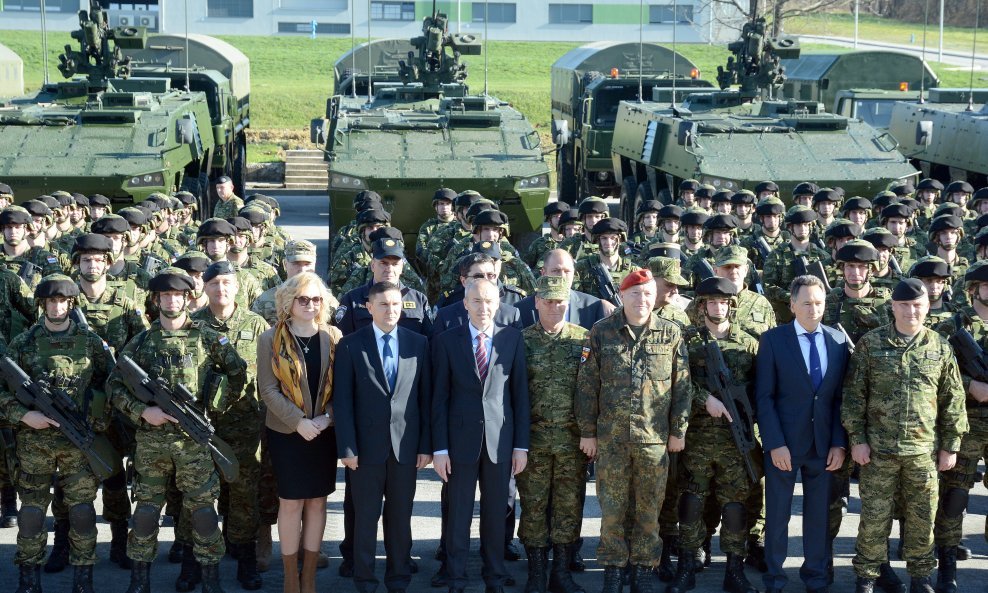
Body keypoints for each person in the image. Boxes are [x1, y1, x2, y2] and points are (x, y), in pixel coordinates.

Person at [110, 268, 248, 593]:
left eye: (177, 295)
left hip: (193, 441)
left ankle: (210, 581)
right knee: (145, 512)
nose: (171, 300)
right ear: (156, 300)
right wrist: (144, 410)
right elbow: (115, 386)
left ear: (187, 298)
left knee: (202, 513)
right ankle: (139, 580)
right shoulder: (141, 342)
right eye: (165, 295)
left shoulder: (207, 338)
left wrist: (214, 404)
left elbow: (238, 373)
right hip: (152, 443)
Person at [842, 279, 968, 593]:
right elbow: (854, 395)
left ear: (926, 307)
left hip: (923, 451)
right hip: (878, 451)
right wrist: (856, 439)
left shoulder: (939, 346)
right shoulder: (871, 343)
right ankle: (867, 577)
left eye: (917, 305)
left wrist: (951, 446)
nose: (911, 311)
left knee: (922, 518)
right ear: (893, 307)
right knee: (874, 517)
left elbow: (952, 399)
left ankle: (921, 576)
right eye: (904, 305)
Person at [575, 268, 692, 593]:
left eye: (647, 293)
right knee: (612, 513)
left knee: (648, 513)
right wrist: (587, 431)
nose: (642, 299)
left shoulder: (670, 333)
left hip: (653, 442)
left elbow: (682, 386)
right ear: (623, 296)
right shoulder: (601, 331)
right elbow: (587, 385)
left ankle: (642, 571)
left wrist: (677, 430)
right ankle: (613, 572)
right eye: (635, 293)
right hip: (611, 442)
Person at [0, 275, 114, 593]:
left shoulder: (90, 342)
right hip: (34, 441)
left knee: (81, 511)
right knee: (33, 512)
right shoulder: (23, 343)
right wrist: (24, 414)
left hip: (79, 441)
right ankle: (29, 580)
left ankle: (83, 579)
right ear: (41, 304)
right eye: (51, 301)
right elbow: (2, 391)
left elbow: (112, 383)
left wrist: (95, 413)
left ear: (71, 304)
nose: (57, 306)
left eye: (63, 301)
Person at [431, 278, 530, 593]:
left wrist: (520, 447)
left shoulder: (512, 339)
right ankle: (457, 577)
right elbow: (440, 399)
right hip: (459, 444)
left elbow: (520, 397)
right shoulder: (447, 341)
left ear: (497, 303)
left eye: (488, 301)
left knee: (495, 515)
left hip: (501, 442)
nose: (483, 307)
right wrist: (440, 449)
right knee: (458, 515)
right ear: (465, 303)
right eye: (476, 301)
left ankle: (495, 577)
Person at [334, 281, 433, 593]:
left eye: (395, 304)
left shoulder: (418, 343)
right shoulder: (351, 344)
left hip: (405, 447)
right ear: (369, 308)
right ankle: (364, 579)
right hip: (365, 450)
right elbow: (343, 401)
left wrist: (425, 446)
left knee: (400, 518)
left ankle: (398, 577)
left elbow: (425, 398)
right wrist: (347, 447)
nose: (391, 311)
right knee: (365, 519)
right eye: (384, 305)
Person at [755, 274, 851, 593]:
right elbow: (764, 397)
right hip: (785, 444)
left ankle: (816, 576)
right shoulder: (773, 340)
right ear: (793, 304)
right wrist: (775, 444)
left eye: (819, 303)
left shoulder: (838, 342)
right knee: (778, 516)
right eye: (806, 303)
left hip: (824, 445)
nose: (813, 309)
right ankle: (775, 578)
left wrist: (839, 442)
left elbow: (839, 399)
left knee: (818, 517)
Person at [669, 277, 761, 593]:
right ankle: (686, 567)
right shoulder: (687, 342)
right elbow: (675, 381)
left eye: (723, 302)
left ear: (731, 306)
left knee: (736, 506)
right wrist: (703, 398)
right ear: (702, 305)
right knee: (691, 502)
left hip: (736, 442)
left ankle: (734, 571)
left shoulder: (748, 344)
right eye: (711, 302)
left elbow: (761, 390)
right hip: (695, 438)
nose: (717, 307)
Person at [257, 272, 342, 593]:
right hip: (286, 433)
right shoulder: (270, 338)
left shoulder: (334, 336)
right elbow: (267, 389)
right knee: (291, 502)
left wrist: (324, 420)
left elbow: (342, 390)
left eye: (316, 299)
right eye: (303, 299)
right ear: (288, 302)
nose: (310, 305)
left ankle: (309, 579)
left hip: (323, 433)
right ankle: (291, 579)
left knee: (318, 502)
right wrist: (299, 422)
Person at [189, 261, 270, 590]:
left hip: (246, 426)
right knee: (199, 494)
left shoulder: (257, 324)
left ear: (237, 287)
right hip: (201, 425)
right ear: (204, 288)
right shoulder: (192, 326)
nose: (221, 289)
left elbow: (271, 374)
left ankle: (245, 559)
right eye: (214, 283)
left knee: (243, 494)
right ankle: (197, 561)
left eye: (227, 283)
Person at [518, 275, 589, 593]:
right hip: (533, 441)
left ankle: (561, 572)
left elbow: (591, 391)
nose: (553, 306)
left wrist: (590, 434)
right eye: (547, 301)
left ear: (568, 302)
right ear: (536, 302)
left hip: (572, 442)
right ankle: (535, 574)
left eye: (559, 301)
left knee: (568, 507)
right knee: (533, 506)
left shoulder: (583, 340)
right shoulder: (520, 340)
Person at [515, 249, 613, 331]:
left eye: (567, 271)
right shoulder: (520, 309)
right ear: (543, 273)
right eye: (556, 270)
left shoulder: (593, 306)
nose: (562, 276)